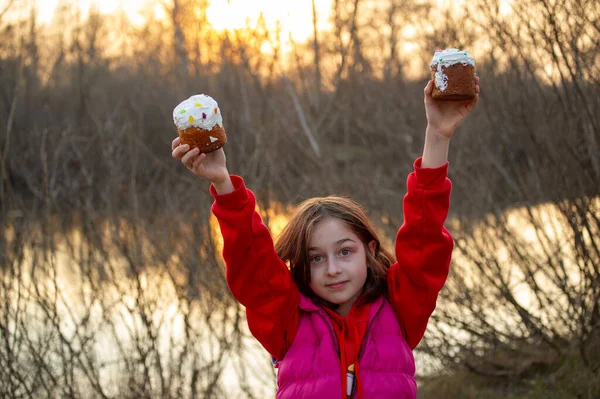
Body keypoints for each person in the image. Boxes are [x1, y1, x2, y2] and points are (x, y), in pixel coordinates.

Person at [171, 77, 480, 398]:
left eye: (345, 252)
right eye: (316, 257)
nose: (332, 268)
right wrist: (223, 183)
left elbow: (424, 238)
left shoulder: (400, 309)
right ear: (303, 265)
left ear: (370, 250)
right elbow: (253, 266)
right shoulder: (287, 319)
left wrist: (437, 135)